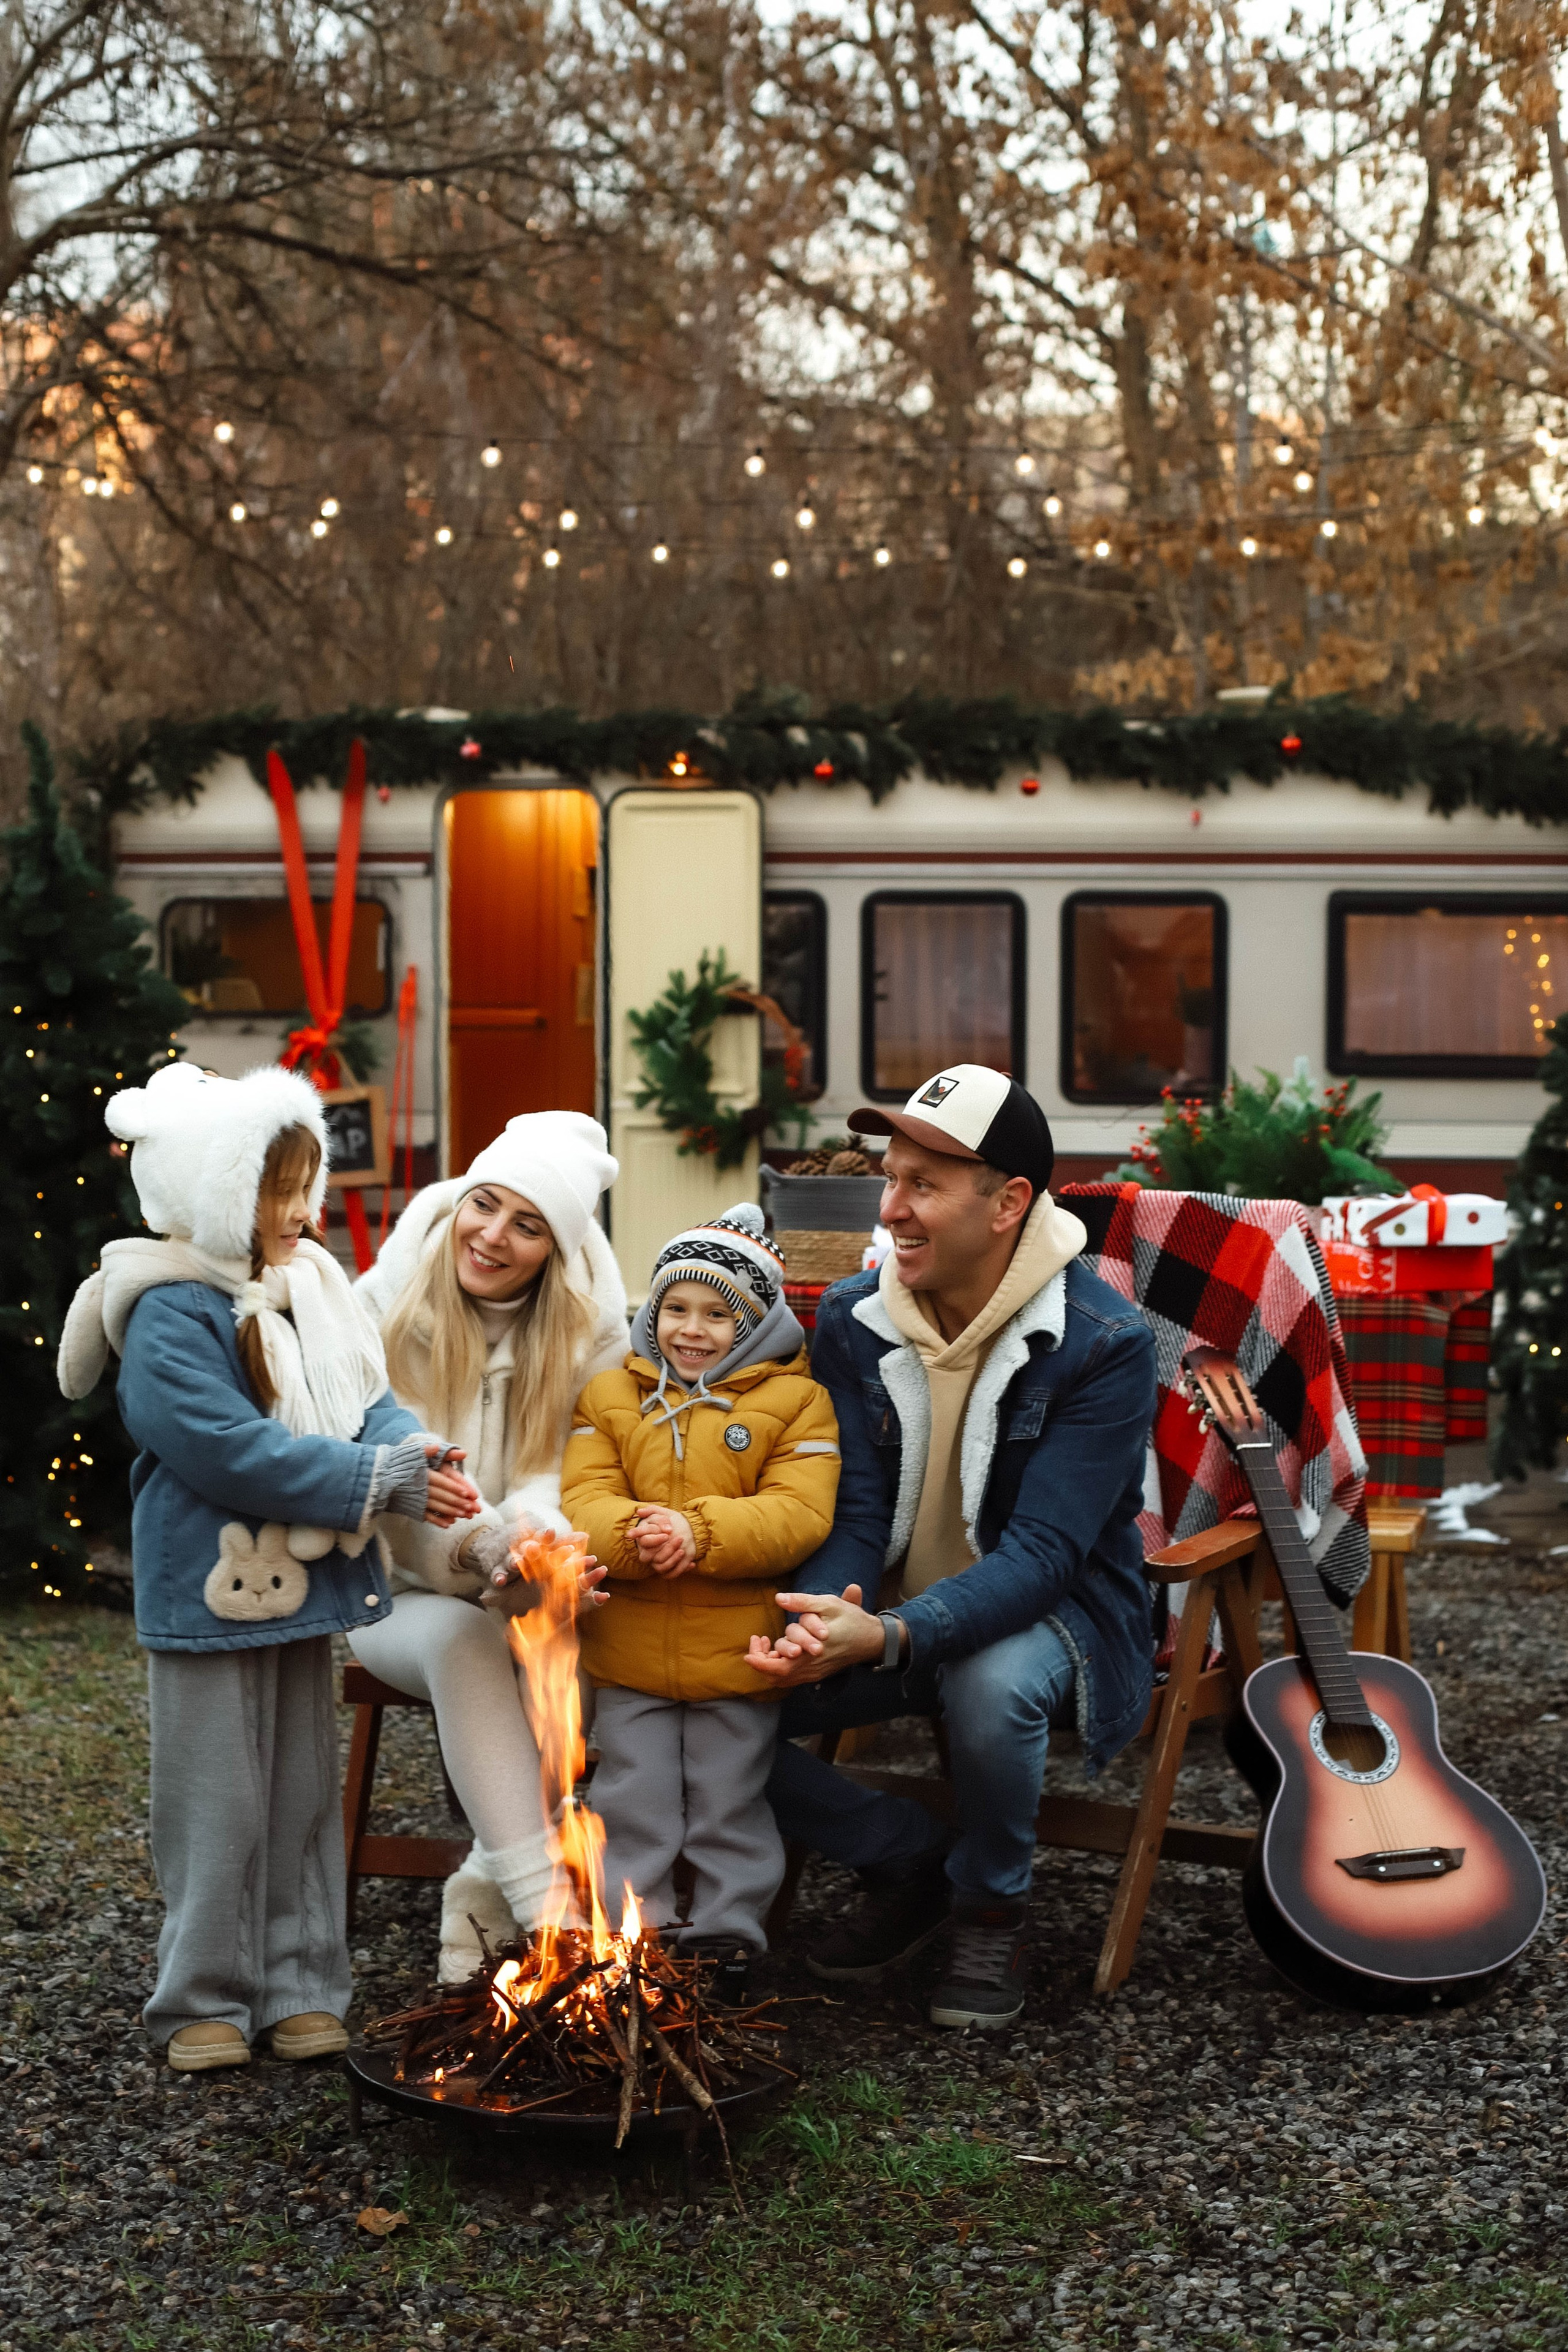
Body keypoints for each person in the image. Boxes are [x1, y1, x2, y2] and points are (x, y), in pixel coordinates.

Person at [57, 1062, 479, 2072]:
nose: (302, 1211)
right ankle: (203, 1994)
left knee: (297, 1793)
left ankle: (299, 1984)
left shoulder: (307, 1291)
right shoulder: (171, 1311)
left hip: (304, 1588)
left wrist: (410, 1455)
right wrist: (377, 1481)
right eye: (274, 1191)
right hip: (207, 1591)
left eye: (306, 1185)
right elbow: (224, 1447)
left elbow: (359, 1398)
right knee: (217, 1802)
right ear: (213, 1195)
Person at [747, 1063, 1158, 2030]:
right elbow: (854, 1509)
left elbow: (1046, 1556)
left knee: (987, 1683)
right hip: (888, 1602)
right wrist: (825, 1616)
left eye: (924, 1185)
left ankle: (990, 1903)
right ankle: (903, 1857)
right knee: (711, 1675)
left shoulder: (1102, 1342)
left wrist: (888, 1639)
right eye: (889, 1178)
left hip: (1054, 1618)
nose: (890, 1208)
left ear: (1009, 1202)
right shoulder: (854, 1315)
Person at [353, 1112, 628, 1979]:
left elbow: (576, 1473)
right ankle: (550, 1914)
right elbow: (376, 1481)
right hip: (385, 1584)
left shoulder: (589, 1333)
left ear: (555, 1247)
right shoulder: (377, 1307)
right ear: (460, 1197)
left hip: (511, 1575)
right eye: (485, 1204)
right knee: (473, 1640)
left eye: (527, 1224)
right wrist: (479, 1551)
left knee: (567, 1624)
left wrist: (536, 1546)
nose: (493, 1236)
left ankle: (483, 1888)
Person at [561, 1204, 840, 1994]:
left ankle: (727, 1939)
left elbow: (798, 1512)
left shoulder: (796, 1403)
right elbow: (582, 1496)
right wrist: (632, 1534)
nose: (693, 1329)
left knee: (731, 1801)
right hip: (628, 1650)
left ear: (756, 1325)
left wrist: (700, 1533)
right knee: (630, 1797)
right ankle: (635, 1936)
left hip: (736, 1653)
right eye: (676, 1307)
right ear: (651, 1312)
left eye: (721, 1314)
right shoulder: (613, 1395)